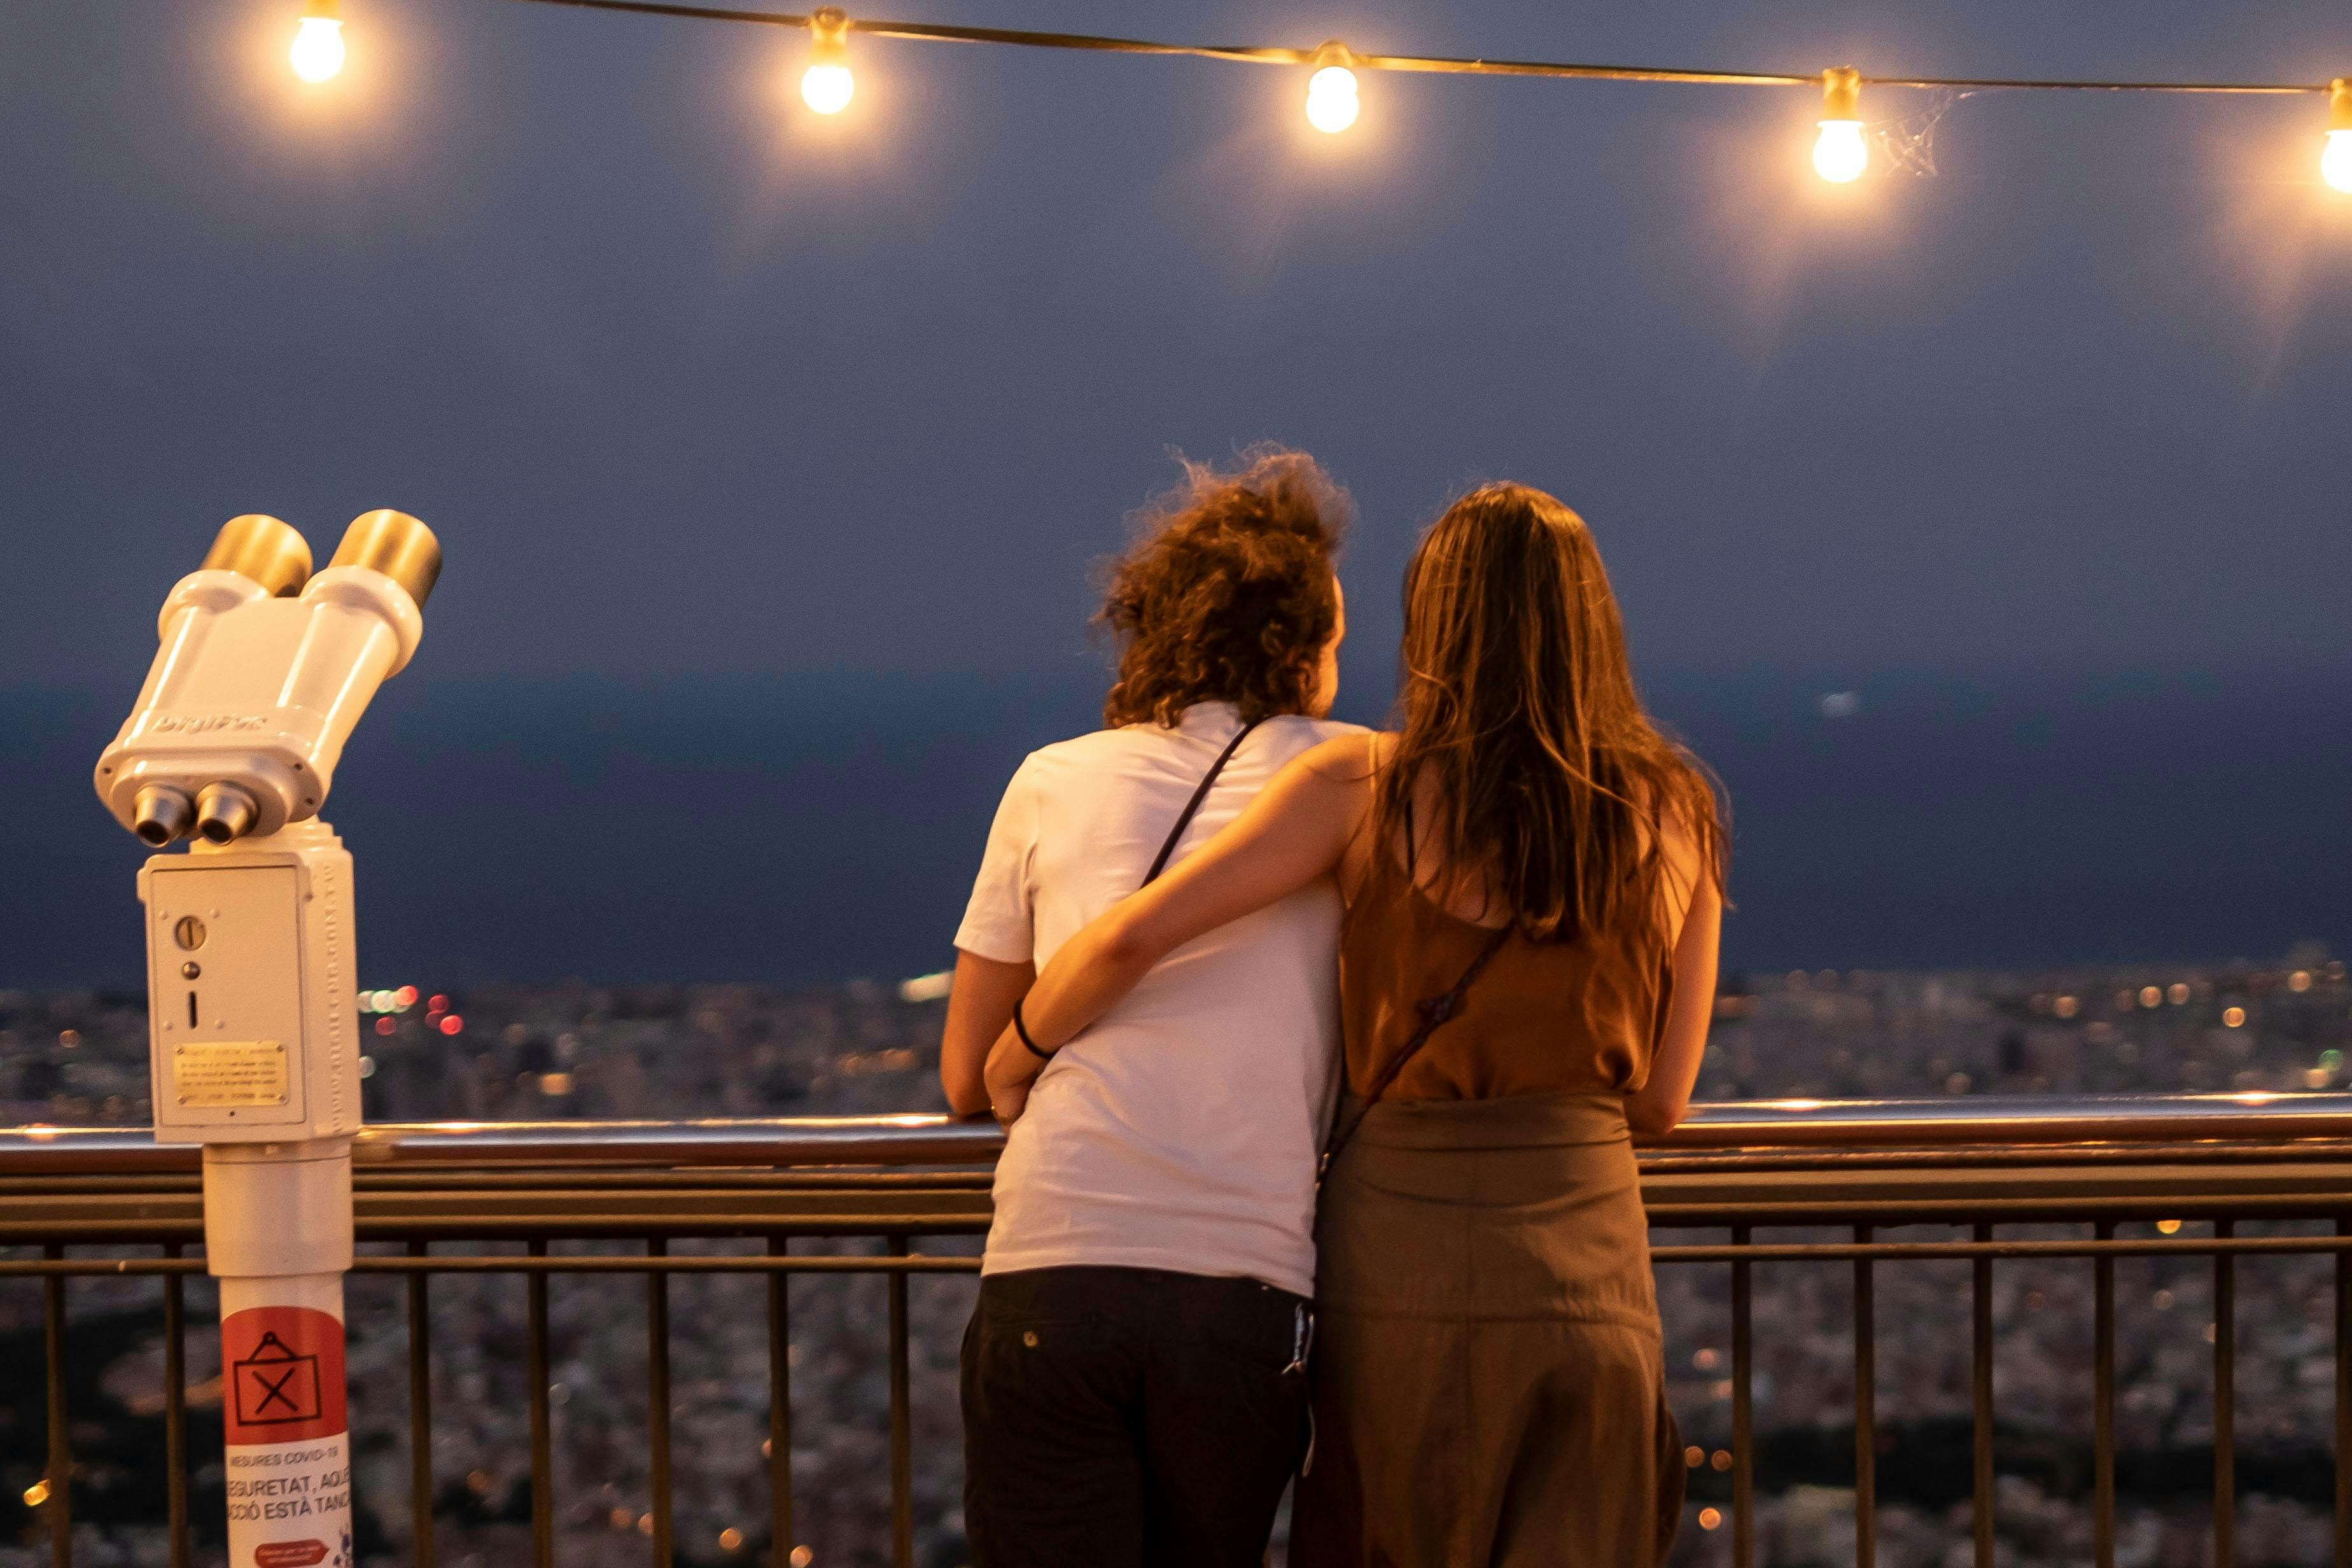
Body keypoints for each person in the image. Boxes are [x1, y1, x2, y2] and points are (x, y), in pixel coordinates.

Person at [985, 481, 1726, 1567]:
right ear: (1593, 621)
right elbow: (1661, 1099)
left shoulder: (1365, 787)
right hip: (1586, 1262)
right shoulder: (1675, 812)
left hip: (1397, 1263)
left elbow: (1137, 937)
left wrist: (1017, 1058)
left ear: (1434, 628)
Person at [938, 447, 1363, 1567]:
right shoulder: (1364, 784)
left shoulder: (1052, 777)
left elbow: (964, 1068)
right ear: (1305, 642)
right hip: (1246, 1288)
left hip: (1054, 1259)